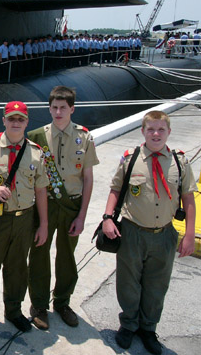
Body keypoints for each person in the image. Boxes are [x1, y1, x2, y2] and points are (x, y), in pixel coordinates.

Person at [103, 110, 197, 355]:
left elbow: (188, 199)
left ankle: (148, 328)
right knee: (128, 283)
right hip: (133, 231)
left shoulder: (179, 163)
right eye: (151, 129)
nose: (156, 134)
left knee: (157, 285)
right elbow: (115, 189)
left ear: (169, 132)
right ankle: (128, 325)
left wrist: (188, 235)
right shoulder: (131, 159)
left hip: (164, 234)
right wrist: (107, 219)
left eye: (161, 130)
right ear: (143, 131)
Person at [0, 101, 49, 337]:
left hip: (24, 218)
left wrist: (43, 224)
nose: (15, 123)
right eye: (11, 119)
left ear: (26, 122)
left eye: (20, 119)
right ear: (4, 120)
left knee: (17, 269)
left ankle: (13, 311)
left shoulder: (35, 152)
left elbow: (41, 190)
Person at [27, 86, 99, 330]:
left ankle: (62, 302)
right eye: (54, 107)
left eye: (63, 108)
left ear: (72, 109)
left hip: (71, 205)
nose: (58, 112)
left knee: (67, 257)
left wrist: (82, 216)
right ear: (49, 108)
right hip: (44, 205)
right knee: (39, 254)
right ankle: (38, 305)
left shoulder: (84, 137)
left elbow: (88, 178)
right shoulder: (36, 137)